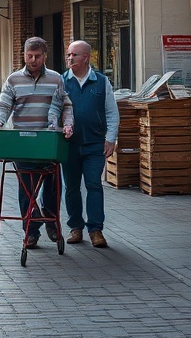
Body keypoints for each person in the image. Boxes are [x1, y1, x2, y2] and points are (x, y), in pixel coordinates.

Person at [0, 37, 74, 249]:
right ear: (24, 55)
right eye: (29, 56)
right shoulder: (13, 80)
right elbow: (3, 105)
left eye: (37, 56)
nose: (33, 60)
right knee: (26, 190)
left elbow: (66, 105)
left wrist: (69, 125)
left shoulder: (55, 79)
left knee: (53, 187)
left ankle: (51, 222)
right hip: (23, 144)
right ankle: (31, 231)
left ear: (45, 56)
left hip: (48, 143)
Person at [61, 40, 119, 249]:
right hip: (69, 144)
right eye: (68, 54)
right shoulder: (62, 81)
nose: (69, 58)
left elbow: (112, 112)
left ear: (86, 57)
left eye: (74, 55)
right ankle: (75, 227)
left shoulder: (102, 82)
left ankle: (96, 230)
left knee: (94, 184)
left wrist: (110, 139)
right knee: (71, 187)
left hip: (95, 144)